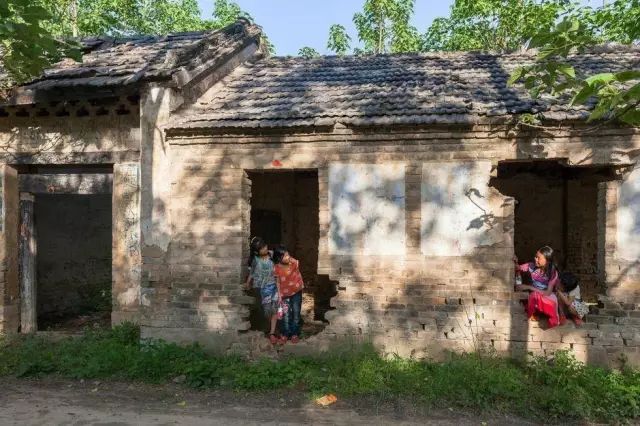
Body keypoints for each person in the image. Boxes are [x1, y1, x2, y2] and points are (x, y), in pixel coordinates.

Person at [514, 246, 561, 328]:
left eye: (538, 258)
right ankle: (533, 314)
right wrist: (515, 261)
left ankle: (554, 319)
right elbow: (517, 268)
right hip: (535, 295)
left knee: (550, 301)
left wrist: (528, 287)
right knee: (533, 296)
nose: (535, 259)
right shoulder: (531, 266)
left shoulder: (553, 273)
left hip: (547, 295)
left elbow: (548, 292)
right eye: (535, 256)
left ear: (547, 260)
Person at [245, 237, 281, 344]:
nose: (265, 248)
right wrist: (248, 282)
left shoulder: (272, 255)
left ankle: (272, 333)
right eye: (261, 248)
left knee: (275, 309)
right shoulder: (255, 260)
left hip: (274, 286)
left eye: (264, 246)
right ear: (257, 251)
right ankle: (273, 328)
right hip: (263, 288)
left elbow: (280, 266)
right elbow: (252, 273)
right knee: (267, 311)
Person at [272, 246, 304, 344]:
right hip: (284, 294)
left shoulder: (293, 262)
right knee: (285, 315)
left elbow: (296, 262)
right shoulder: (276, 268)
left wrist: (288, 257)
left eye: (288, 254)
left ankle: (294, 334)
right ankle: (285, 334)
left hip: (296, 291)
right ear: (279, 258)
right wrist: (279, 295)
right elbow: (277, 282)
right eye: (285, 256)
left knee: (296, 313)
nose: (288, 257)